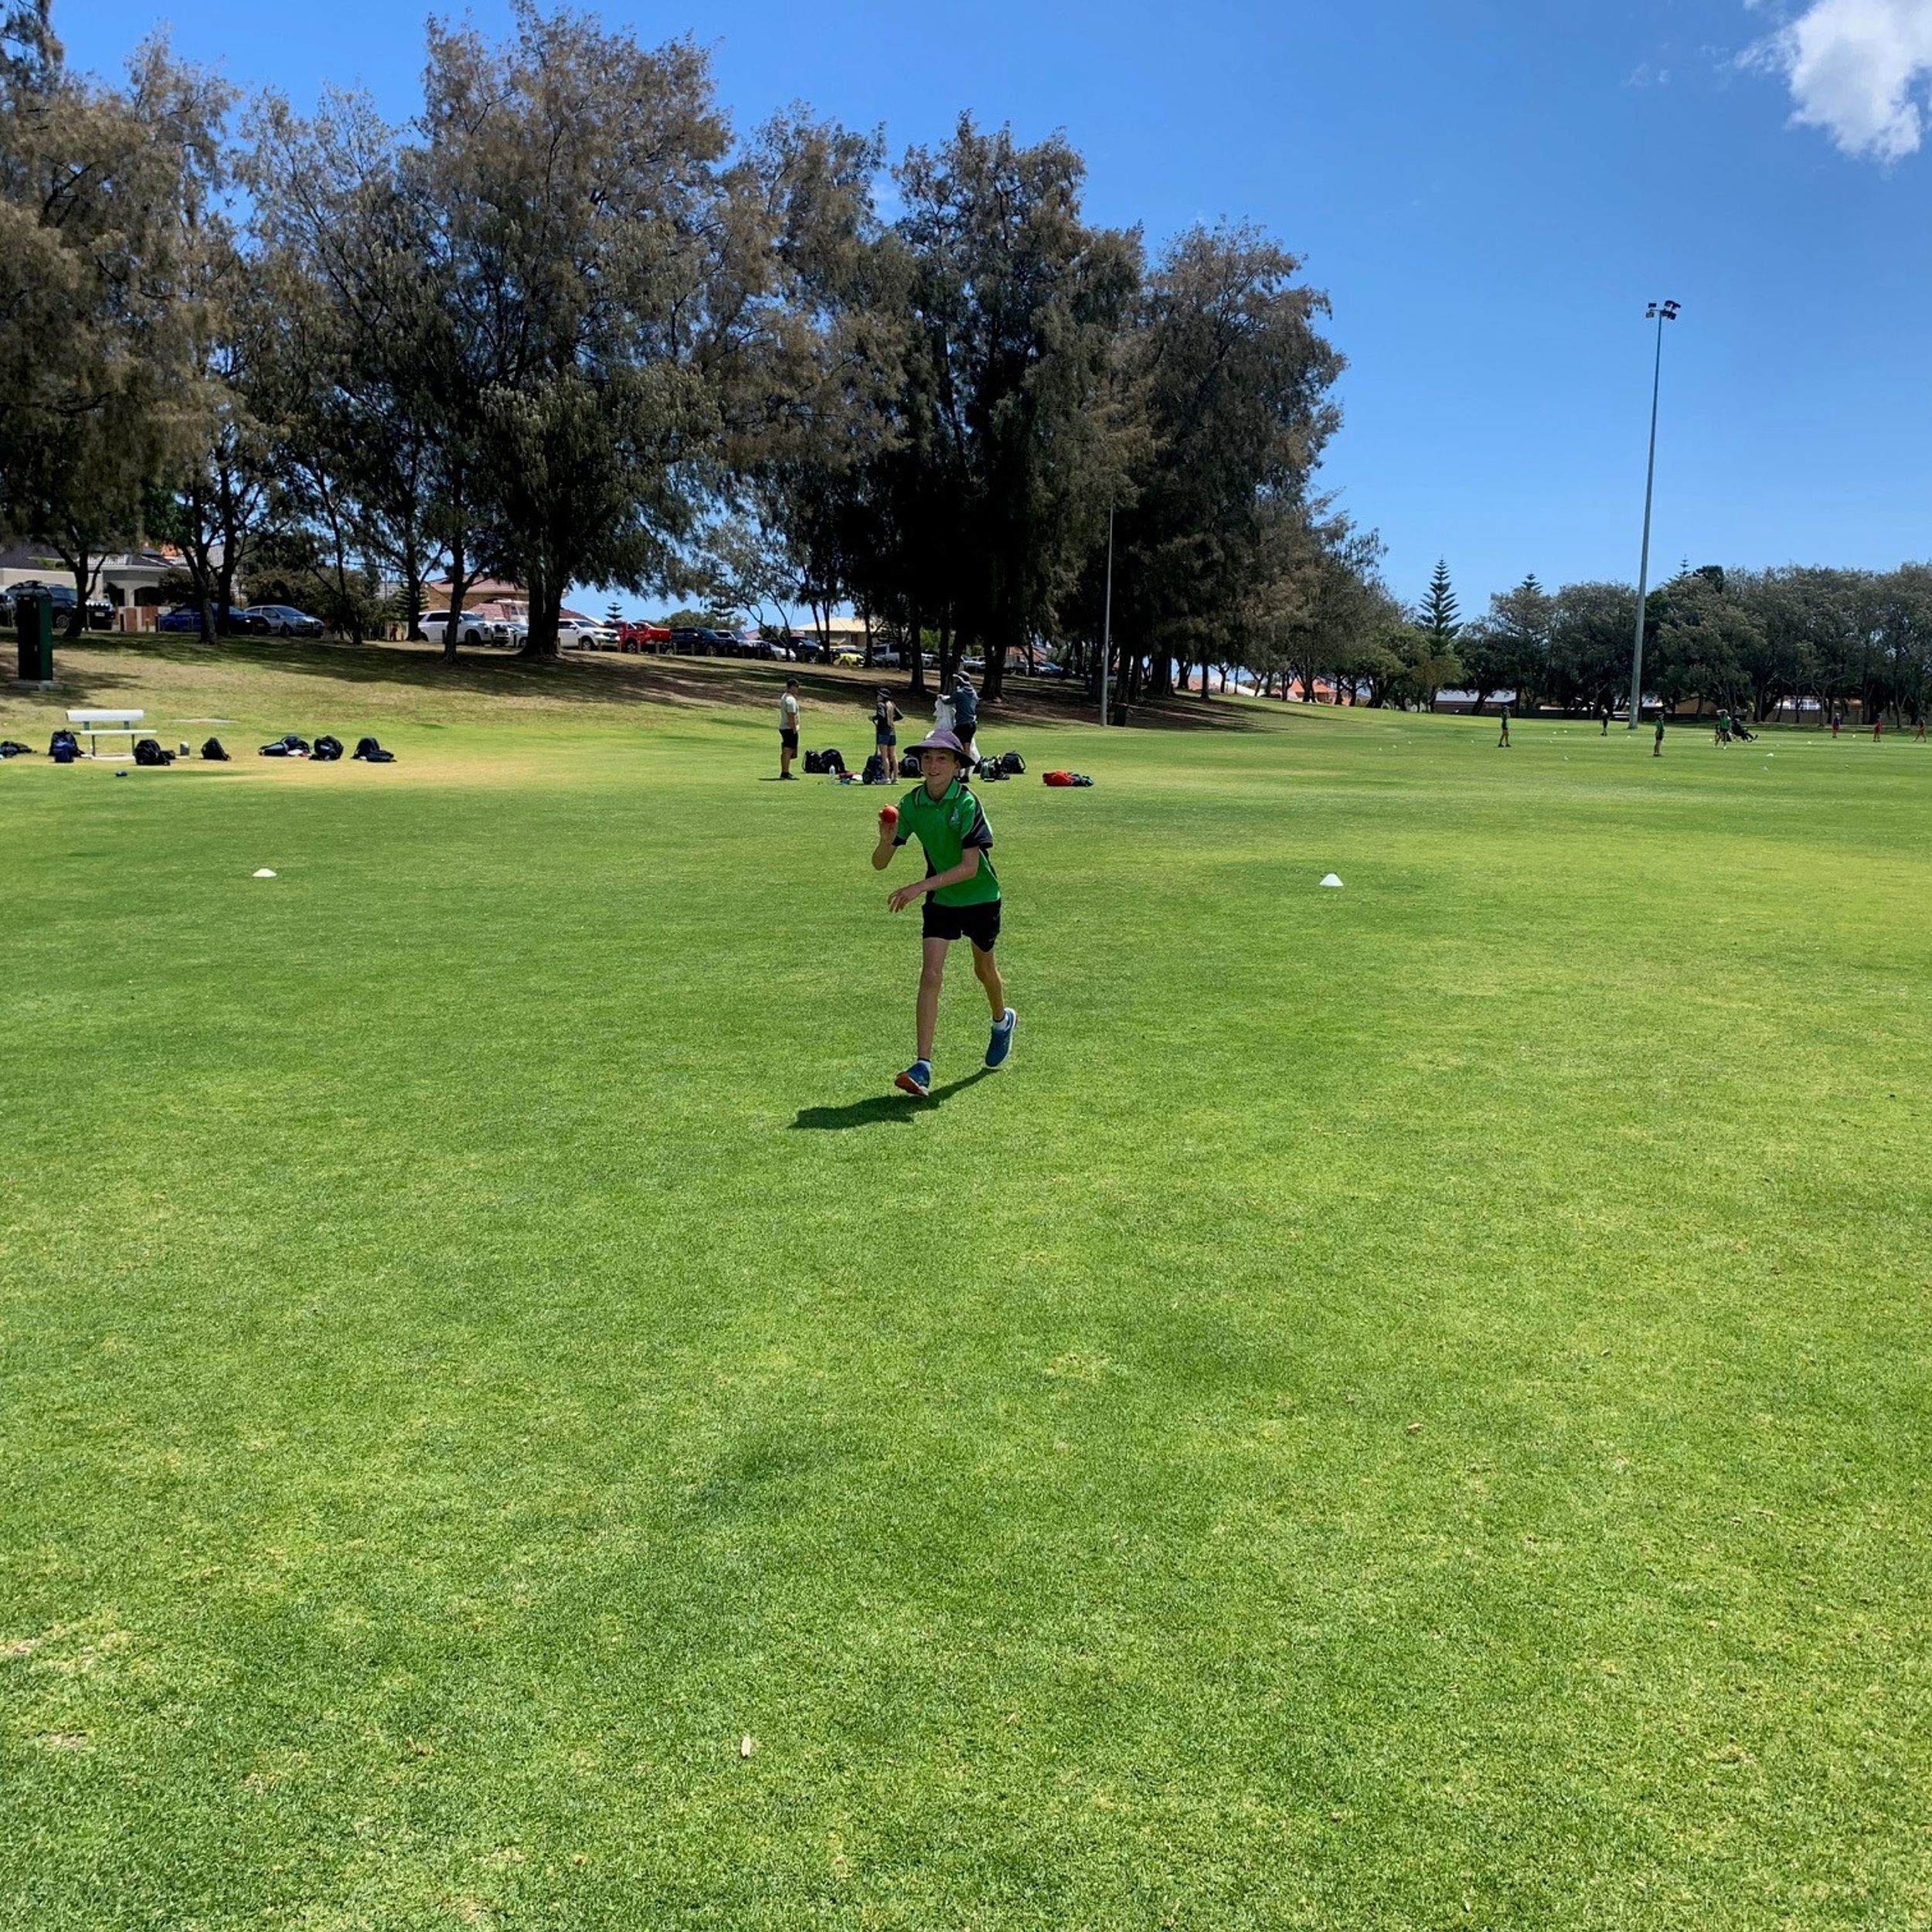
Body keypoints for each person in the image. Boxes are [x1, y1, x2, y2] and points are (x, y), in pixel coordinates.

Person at [871, 728, 1015, 1097]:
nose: (932, 765)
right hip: (943, 902)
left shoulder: (966, 803)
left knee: (984, 971)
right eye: (927, 758)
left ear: (956, 765)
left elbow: (970, 867)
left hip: (981, 896)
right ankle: (923, 1066)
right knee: (930, 975)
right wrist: (885, 842)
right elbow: (879, 864)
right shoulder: (911, 804)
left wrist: (919, 886)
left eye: (942, 758)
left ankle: (1002, 1021)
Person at [951, 672, 981, 770]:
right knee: (967, 749)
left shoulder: (959, 693)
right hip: (972, 724)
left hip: (962, 724)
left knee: (955, 747)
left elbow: (948, 701)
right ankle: (966, 773)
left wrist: (941, 697)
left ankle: (956, 771)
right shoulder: (973, 693)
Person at [872, 687, 903, 777]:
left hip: (883, 732)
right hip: (892, 732)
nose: (877, 697)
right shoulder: (891, 705)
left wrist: (874, 718)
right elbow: (900, 716)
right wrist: (891, 720)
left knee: (884, 756)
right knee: (893, 755)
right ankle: (896, 777)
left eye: (878, 695)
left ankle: (887, 777)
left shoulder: (880, 705)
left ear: (882, 696)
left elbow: (881, 716)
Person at [777, 678, 801, 780]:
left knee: (787, 750)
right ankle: (785, 773)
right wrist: (794, 729)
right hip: (789, 728)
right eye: (796, 687)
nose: (797, 689)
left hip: (785, 727)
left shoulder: (785, 697)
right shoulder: (790, 700)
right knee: (788, 750)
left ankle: (785, 771)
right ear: (790, 687)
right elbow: (791, 715)